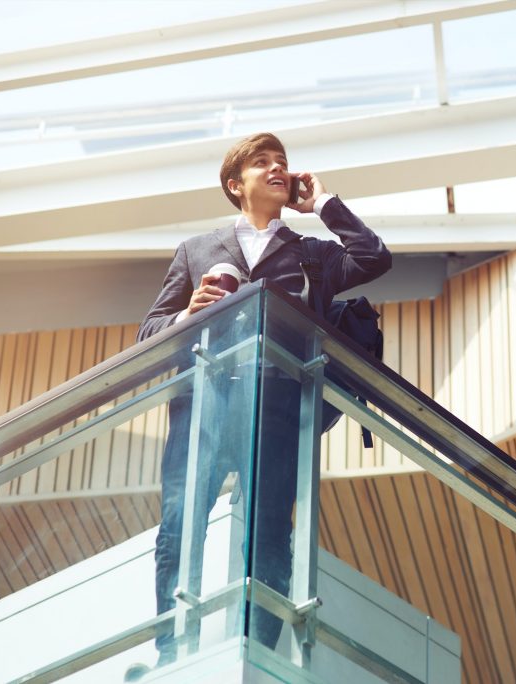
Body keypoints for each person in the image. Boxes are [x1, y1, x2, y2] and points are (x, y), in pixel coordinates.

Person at [128, 132, 391, 677]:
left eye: (283, 164)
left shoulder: (312, 255)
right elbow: (148, 334)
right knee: (179, 525)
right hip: (203, 406)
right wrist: (188, 315)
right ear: (235, 184)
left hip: (276, 408)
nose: (277, 169)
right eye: (263, 163)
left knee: (269, 533)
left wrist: (322, 203)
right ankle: (172, 651)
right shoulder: (196, 250)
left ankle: (258, 655)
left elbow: (373, 257)